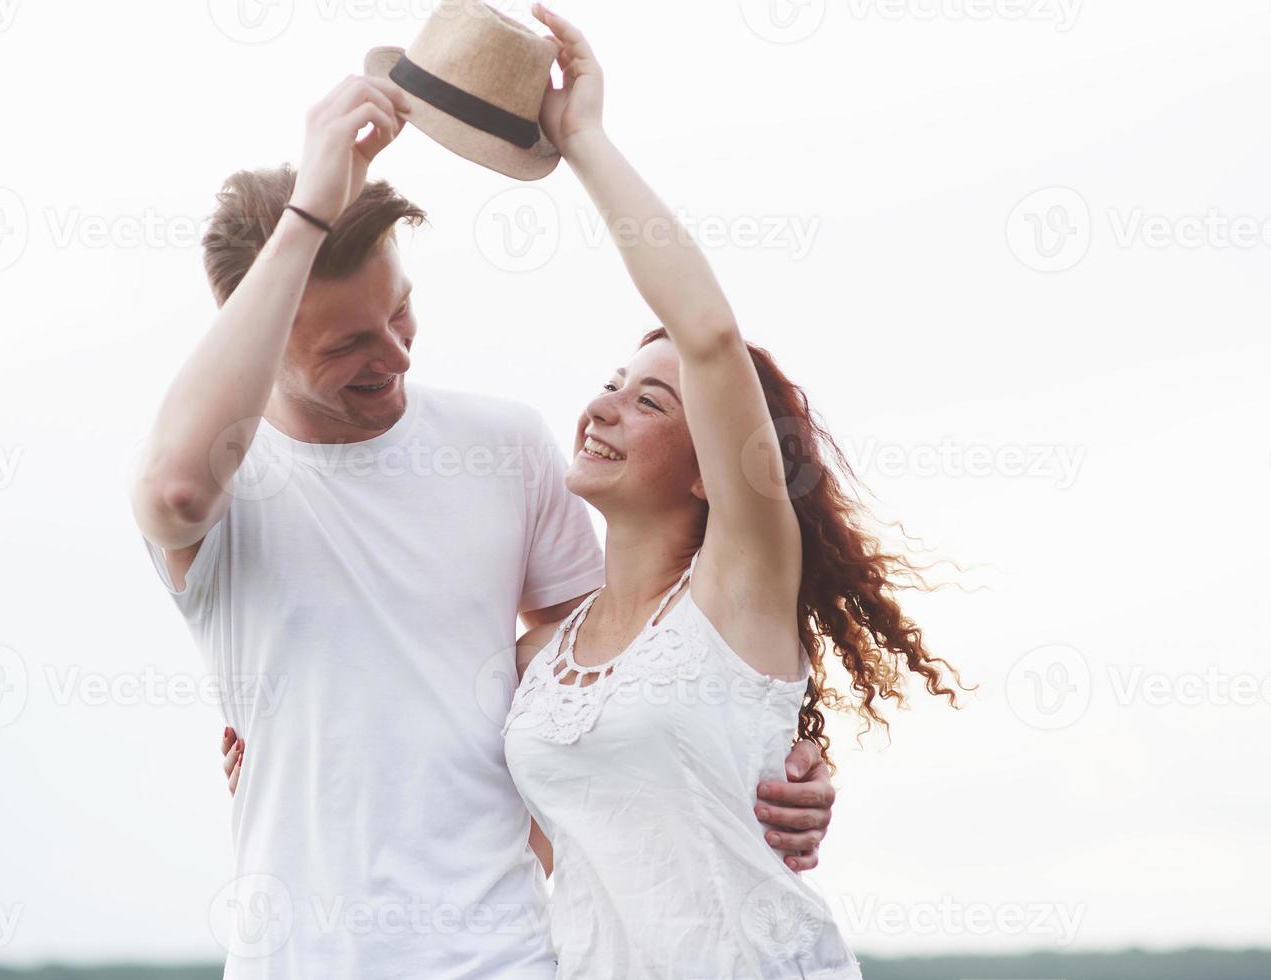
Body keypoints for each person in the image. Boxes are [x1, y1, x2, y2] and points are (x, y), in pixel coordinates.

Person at [132, 65, 838, 979]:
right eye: (348, 343)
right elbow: (178, 494)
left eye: (402, 311)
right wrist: (309, 208)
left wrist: (777, 750)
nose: (393, 354)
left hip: (508, 958)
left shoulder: (505, 448)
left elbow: (638, 681)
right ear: (264, 330)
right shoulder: (216, 484)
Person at [503, 6, 967, 976]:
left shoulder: (738, 590)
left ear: (713, 463)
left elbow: (706, 331)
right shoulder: (539, 654)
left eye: (649, 401)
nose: (605, 406)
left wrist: (581, 138)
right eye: (611, 384)